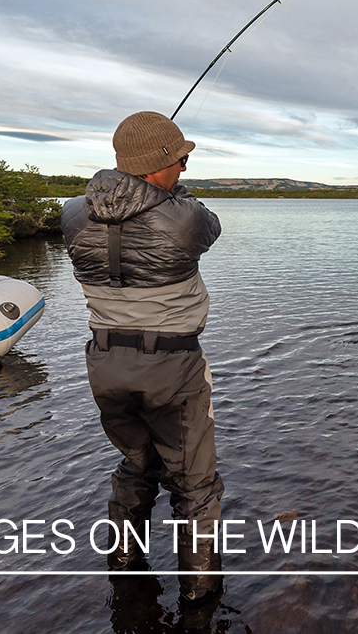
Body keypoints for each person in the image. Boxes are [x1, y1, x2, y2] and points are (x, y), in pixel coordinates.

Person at [61, 111, 224, 609]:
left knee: (136, 463)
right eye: (182, 159)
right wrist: (178, 193)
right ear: (161, 163)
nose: (185, 169)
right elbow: (208, 226)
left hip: (105, 361)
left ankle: (124, 574)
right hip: (172, 365)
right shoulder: (184, 216)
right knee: (194, 485)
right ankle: (200, 600)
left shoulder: (71, 212)